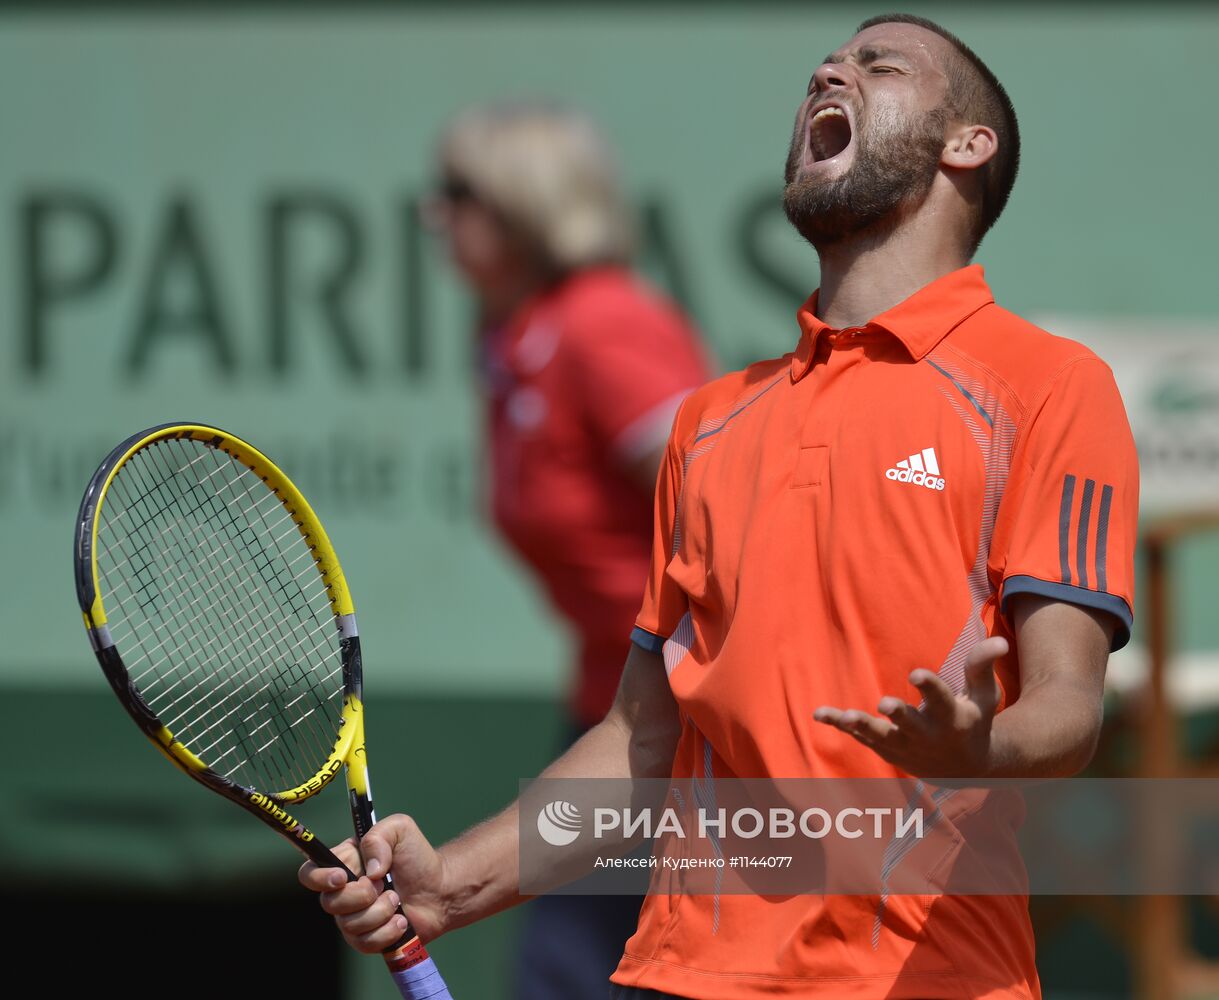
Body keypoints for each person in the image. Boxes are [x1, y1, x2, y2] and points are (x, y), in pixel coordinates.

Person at [301, 15, 1138, 1000]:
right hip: (679, 976)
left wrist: (979, 748)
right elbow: (639, 740)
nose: (831, 69)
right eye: (825, 64)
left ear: (967, 143)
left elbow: (1068, 708)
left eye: (880, 64)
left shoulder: (1050, 386)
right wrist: (453, 885)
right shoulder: (708, 424)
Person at [421, 105, 711, 999]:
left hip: (694, 729)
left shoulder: (602, 326)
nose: (434, 215)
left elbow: (728, 519)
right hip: (609, 712)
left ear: (525, 204)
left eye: (457, 193)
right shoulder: (514, 342)